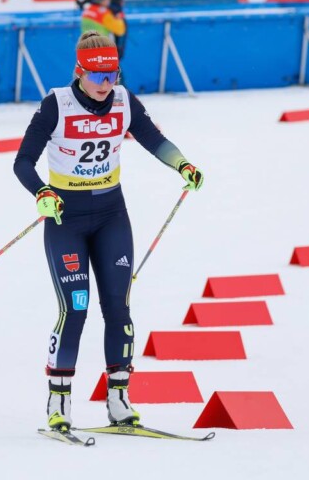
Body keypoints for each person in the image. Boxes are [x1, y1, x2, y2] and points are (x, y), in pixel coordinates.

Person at [13, 31, 204, 431]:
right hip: (66, 219)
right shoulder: (56, 105)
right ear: (79, 72)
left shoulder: (123, 100)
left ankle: (119, 397)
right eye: (98, 77)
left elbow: (154, 139)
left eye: (112, 75)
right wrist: (42, 191)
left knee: (118, 307)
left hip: (111, 216)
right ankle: (59, 400)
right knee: (75, 308)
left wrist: (183, 164)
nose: (106, 85)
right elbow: (23, 162)